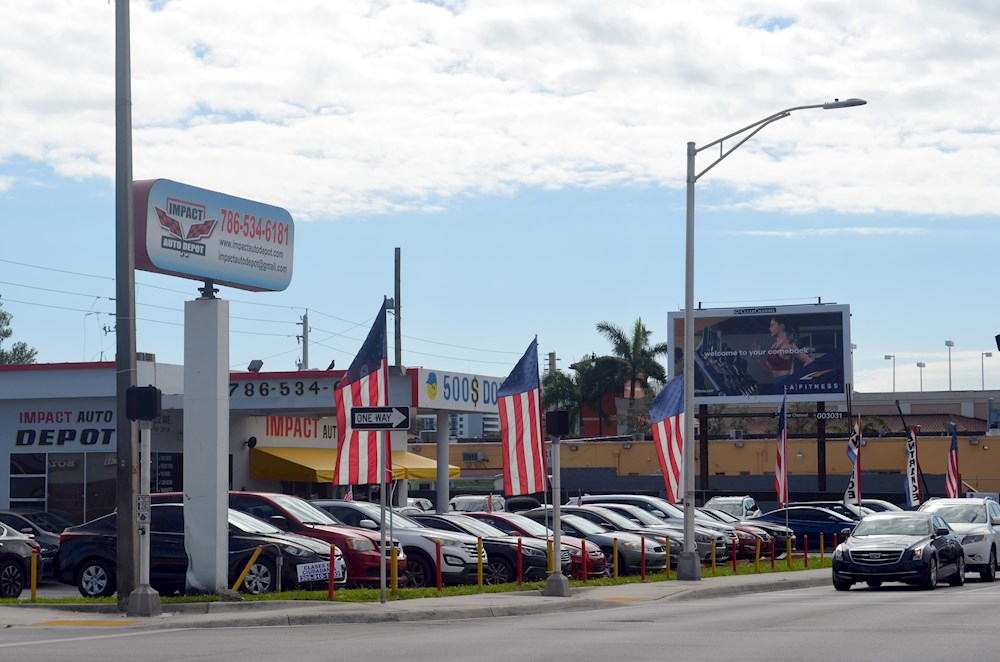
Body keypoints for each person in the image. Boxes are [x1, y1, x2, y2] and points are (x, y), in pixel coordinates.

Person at [753, 316, 814, 380]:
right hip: (776, 382)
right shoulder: (773, 346)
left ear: (781, 326)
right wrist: (758, 359)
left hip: (786, 380)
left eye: (772, 325)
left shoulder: (789, 346)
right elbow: (768, 371)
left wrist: (797, 377)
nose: (770, 328)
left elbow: (809, 361)